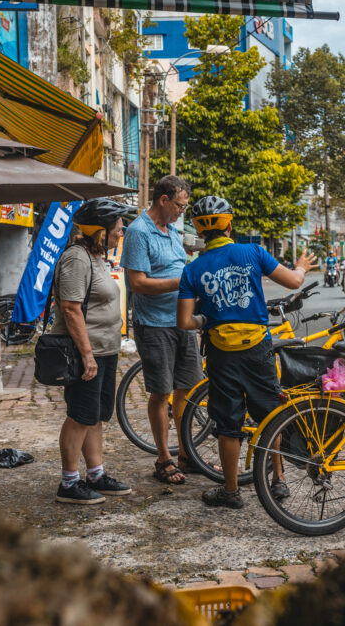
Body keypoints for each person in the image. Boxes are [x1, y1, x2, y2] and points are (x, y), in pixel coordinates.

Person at [176, 196, 317, 509]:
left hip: (221, 353)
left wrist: (206, 318)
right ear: (229, 223)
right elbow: (294, 281)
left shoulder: (193, 269)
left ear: (200, 230)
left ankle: (230, 491)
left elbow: (185, 321)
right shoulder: (253, 251)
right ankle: (278, 479)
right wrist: (301, 267)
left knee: (227, 423)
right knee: (271, 414)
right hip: (258, 348)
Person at [120, 175, 203, 485]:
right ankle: (163, 458)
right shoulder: (139, 232)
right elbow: (138, 283)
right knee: (161, 392)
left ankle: (186, 454)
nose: (182, 211)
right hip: (154, 325)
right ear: (163, 200)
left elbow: (180, 264)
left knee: (188, 390)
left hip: (183, 321)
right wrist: (180, 283)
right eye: (179, 205)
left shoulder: (173, 230)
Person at [52, 199, 132, 505]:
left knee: (96, 416)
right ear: (100, 231)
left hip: (104, 349)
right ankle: (68, 483)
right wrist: (86, 354)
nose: (120, 234)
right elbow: (70, 309)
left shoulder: (96, 257)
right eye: (117, 229)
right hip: (85, 351)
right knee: (80, 416)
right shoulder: (76, 259)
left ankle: (96, 474)